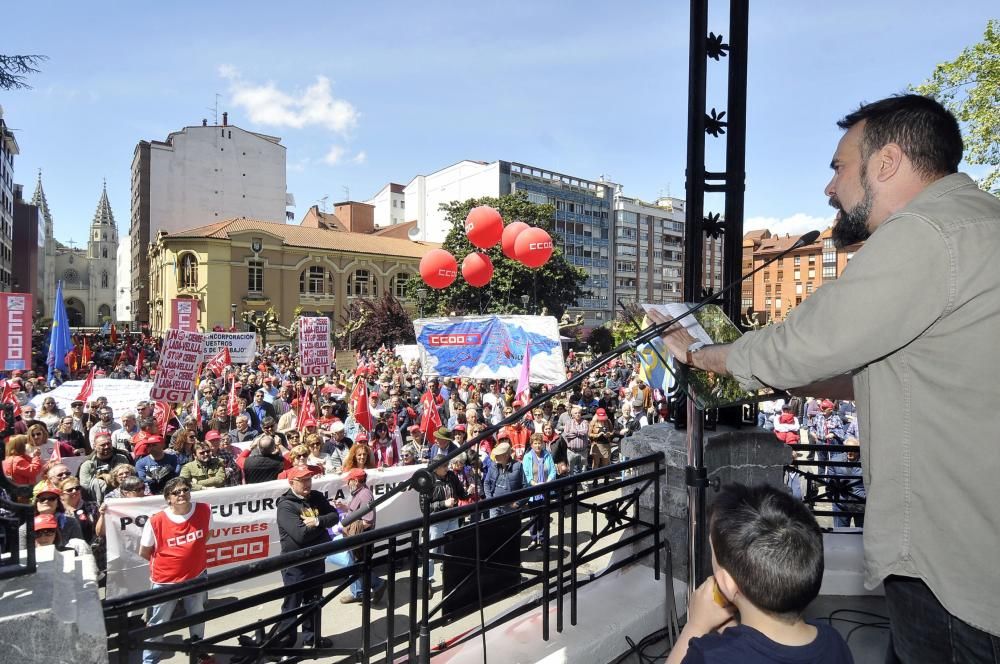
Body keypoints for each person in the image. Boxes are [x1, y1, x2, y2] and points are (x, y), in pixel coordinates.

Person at [655, 94, 1000, 660]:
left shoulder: (925, 232)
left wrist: (702, 354)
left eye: (839, 167)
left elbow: (800, 343)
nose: (830, 187)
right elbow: (894, 372)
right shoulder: (979, 222)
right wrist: (791, 379)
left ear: (885, 163)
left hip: (954, 570)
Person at [665, 483, 852, 664]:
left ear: (728, 584)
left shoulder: (709, 656)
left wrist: (696, 625)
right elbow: (760, 650)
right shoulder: (834, 642)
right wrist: (727, 625)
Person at [138, 477, 214, 664]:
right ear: (168, 498)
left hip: (196, 575)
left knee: (197, 615)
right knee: (158, 623)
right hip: (165, 581)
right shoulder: (156, 521)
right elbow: (144, 552)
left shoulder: (205, 509)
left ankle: (198, 651)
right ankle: (149, 660)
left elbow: (207, 536)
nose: (182, 494)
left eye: (185, 489)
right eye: (176, 492)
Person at [273, 467, 336, 649]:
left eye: (309, 479)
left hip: (316, 559)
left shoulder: (316, 496)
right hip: (295, 565)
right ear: (291, 483)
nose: (307, 484)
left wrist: (317, 522)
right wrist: (323, 533)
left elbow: (333, 516)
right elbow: (300, 535)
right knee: (292, 605)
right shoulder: (286, 505)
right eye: (302, 480)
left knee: (314, 602)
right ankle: (285, 644)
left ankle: (312, 638)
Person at [334, 468, 387, 604]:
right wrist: (345, 507)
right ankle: (358, 592)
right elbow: (356, 512)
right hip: (357, 538)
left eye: (349, 481)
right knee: (355, 564)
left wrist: (345, 528)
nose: (347, 484)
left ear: (356, 481)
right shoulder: (359, 493)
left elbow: (367, 521)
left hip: (362, 539)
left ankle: (378, 584)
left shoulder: (364, 495)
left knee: (358, 566)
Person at [521, 433, 555, 549]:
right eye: (535, 443)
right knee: (533, 517)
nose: (537, 446)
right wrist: (535, 485)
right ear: (531, 445)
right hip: (533, 492)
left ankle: (544, 539)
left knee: (545, 516)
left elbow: (552, 472)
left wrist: (546, 483)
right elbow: (526, 475)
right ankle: (534, 539)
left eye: (539, 443)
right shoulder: (527, 457)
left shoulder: (547, 455)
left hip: (546, 490)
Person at [483, 442, 525, 519]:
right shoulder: (493, 466)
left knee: (510, 530)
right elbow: (486, 483)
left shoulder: (518, 466)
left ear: (506, 455)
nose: (495, 456)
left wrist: (518, 503)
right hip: (494, 506)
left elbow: (525, 486)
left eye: (498, 454)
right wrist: (489, 500)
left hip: (511, 507)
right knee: (494, 529)